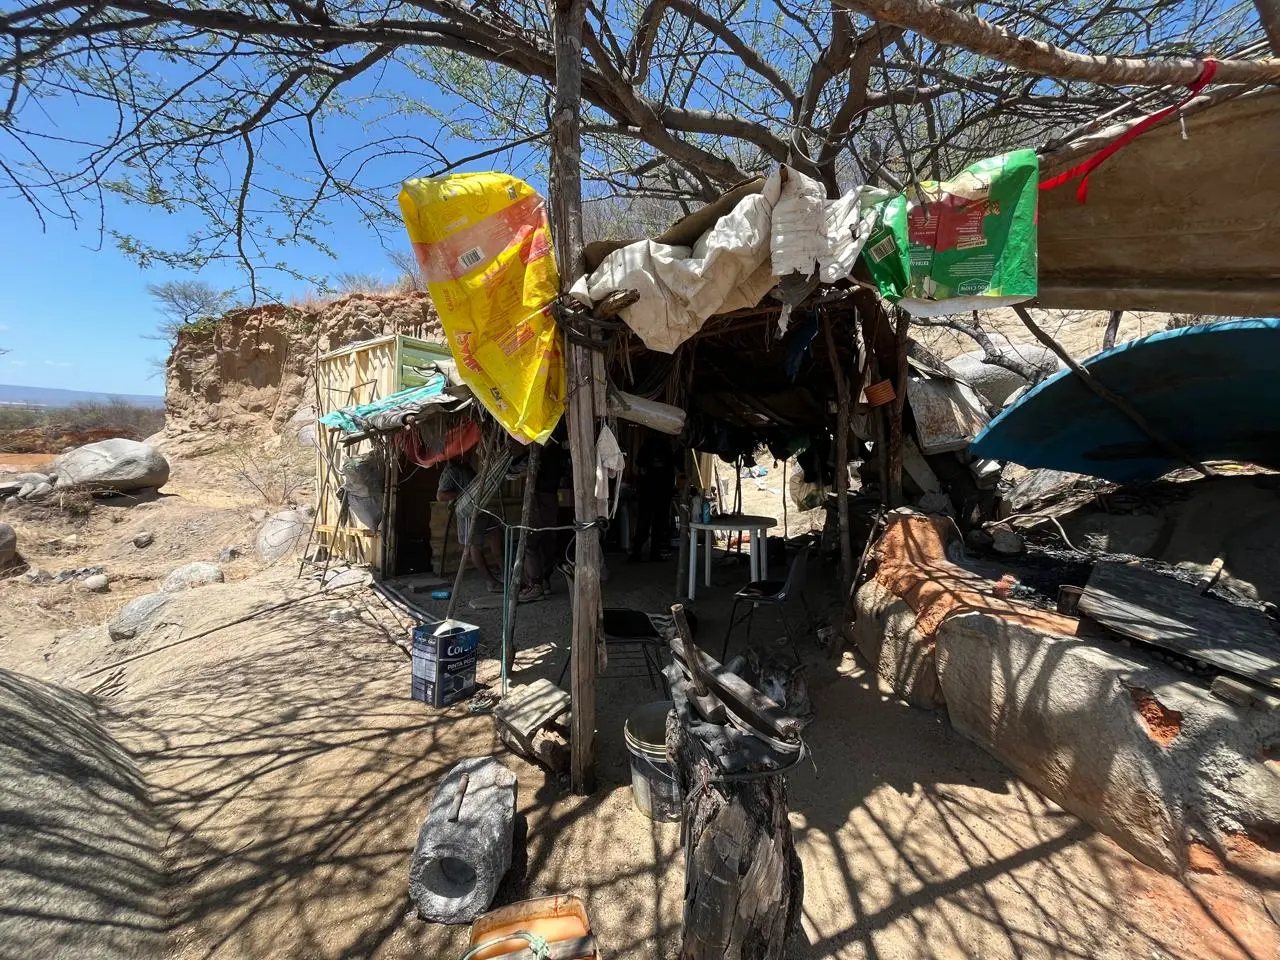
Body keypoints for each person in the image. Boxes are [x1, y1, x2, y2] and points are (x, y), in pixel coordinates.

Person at [437, 455, 502, 592]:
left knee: (496, 533)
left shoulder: (465, 466)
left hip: (481, 509)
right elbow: (441, 495)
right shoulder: (452, 471)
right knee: (474, 546)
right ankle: (491, 582)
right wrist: (465, 494)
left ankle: (507, 574)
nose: (470, 451)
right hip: (468, 513)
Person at [519, 435, 567, 603]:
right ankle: (545, 581)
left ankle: (536, 585)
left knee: (530, 543)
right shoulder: (559, 452)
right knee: (548, 540)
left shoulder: (543, 454)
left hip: (540, 499)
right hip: (551, 499)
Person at [630, 432, 676, 562]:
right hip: (653, 490)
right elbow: (640, 464)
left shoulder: (663, 447)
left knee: (651, 522)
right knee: (651, 522)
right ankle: (641, 552)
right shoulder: (655, 446)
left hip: (655, 490)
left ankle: (643, 552)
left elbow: (640, 464)